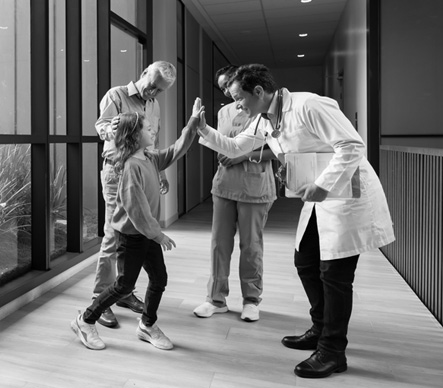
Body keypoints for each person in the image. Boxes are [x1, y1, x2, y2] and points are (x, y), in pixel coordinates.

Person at [197, 64, 395, 378]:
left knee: (335, 276)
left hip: (346, 196)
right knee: (305, 262)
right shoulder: (263, 120)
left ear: (258, 92)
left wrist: (323, 184)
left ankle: (333, 351)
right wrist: (203, 130)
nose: (237, 105)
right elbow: (235, 147)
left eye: (239, 98)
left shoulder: (309, 105)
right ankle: (320, 328)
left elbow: (353, 145)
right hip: (317, 199)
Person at [71, 98, 205, 351]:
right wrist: (158, 234)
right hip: (132, 236)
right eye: (147, 128)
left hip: (147, 235)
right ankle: (85, 320)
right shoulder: (131, 167)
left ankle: (147, 324)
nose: (153, 130)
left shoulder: (150, 158)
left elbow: (177, 149)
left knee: (159, 279)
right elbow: (136, 209)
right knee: (125, 285)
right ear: (133, 136)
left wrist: (193, 123)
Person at [93, 61, 176, 328]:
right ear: (143, 74)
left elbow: (155, 138)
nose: (153, 93)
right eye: (152, 86)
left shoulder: (154, 105)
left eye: (159, 91)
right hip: (117, 171)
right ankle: (100, 297)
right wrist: (112, 129)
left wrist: (160, 172)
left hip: (144, 168)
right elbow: (101, 126)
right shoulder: (116, 95)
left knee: (135, 234)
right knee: (113, 235)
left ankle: (124, 292)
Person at [193, 65, 276, 322]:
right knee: (219, 244)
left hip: (255, 186)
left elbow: (278, 149)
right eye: (222, 88)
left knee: (251, 246)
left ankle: (251, 300)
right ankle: (215, 299)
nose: (228, 92)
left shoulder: (261, 108)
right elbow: (222, 142)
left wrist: (243, 156)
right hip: (225, 185)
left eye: (230, 84)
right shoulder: (223, 111)